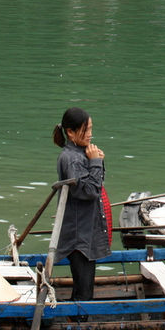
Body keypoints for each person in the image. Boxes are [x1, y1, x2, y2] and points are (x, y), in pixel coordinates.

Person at [52, 107, 111, 301]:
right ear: (70, 132)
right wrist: (95, 162)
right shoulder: (72, 159)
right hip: (79, 235)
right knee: (84, 291)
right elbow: (90, 191)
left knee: (84, 286)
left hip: (85, 231)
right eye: (85, 130)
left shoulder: (80, 154)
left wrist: (97, 161)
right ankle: (77, 322)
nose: (90, 134)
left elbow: (96, 184)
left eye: (91, 129)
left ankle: (77, 319)